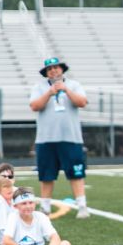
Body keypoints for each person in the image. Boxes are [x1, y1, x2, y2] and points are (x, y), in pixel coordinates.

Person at [29, 56, 90, 218]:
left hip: (71, 138)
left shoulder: (74, 85)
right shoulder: (39, 87)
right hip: (46, 139)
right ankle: (45, 207)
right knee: (46, 174)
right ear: (46, 73)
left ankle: (82, 205)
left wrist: (66, 90)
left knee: (76, 173)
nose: (53, 71)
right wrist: (50, 92)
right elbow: (35, 106)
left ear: (62, 69)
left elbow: (82, 102)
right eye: (49, 69)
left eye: (56, 67)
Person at [1, 187, 71, 245]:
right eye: (23, 203)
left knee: (66, 244)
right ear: (16, 206)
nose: (28, 206)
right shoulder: (13, 217)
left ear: (35, 203)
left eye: (31, 202)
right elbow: (6, 240)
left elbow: (55, 237)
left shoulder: (41, 216)